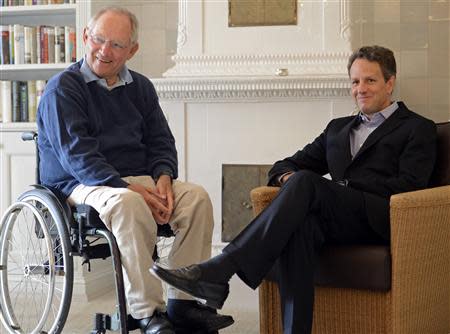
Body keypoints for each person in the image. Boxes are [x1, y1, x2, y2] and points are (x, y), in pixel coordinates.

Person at [151, 45, 437, 334]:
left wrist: (342, 186)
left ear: (390, 82)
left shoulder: (417, 128)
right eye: (354, 81)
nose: (360, 88)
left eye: (370, 80)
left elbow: (410, 185)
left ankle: (221, 268)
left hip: (382, 219)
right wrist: (289, 178)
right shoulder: (338, 129)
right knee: (301, 224)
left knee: (306, 182)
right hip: (336, 221)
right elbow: (283, 165)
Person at [37, 6, 234, 334]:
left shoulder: (141, 87)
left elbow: (160, 140)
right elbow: (78, 155)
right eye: (99, 39)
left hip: (136, 177)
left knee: (196, 198)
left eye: (116, 44)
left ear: (132, 50)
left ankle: (183, 305)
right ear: (86, 36)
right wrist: (128, 188)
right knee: (129, 204)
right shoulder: (63, 89)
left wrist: (164, 178)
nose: (104, 50)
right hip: (81, 181)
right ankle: (145, 311)